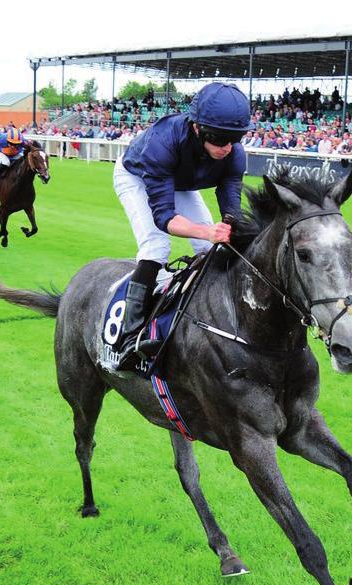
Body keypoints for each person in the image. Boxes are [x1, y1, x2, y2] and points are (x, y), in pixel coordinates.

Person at [112, 81, 254, 369]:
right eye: (219, 139)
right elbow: (164, 218)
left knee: (210, 248)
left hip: (181, 181)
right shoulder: (163, 142)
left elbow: (231, 211)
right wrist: (207, 230)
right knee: (157, 246)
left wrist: (230, 229)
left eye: (233, 140)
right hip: (137, 176)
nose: (226, 148)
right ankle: (129, 339)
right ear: (198, 128)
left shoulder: (233, 153)